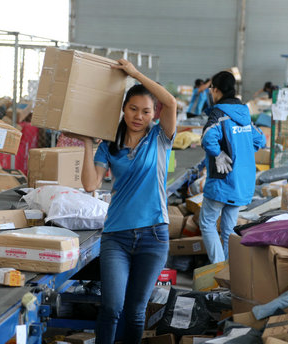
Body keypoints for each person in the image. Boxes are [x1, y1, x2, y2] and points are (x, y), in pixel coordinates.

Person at [71, 59, 177, 344]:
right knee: (111, 307)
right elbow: (90, 184)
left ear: (155, 114)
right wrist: (88, 142)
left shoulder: (160, 138)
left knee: (135, 311)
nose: (138, 116)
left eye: (146, 111)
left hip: (153, 235)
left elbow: (171, 101)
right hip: (116, 236)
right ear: (123, 109)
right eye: (133, 109)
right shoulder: (109, 145)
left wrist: (134, 74)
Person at [199, 71, 266, 263]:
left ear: (217, 90)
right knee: (228, 229)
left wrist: (218, 154)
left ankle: (218, 268)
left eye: (211, 88)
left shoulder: (219, 113)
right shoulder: (244, 114)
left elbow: (207, 138)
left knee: (208, 224)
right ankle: (229, 273)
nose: (211, 92)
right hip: (242, 182)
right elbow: (260, 139)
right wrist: (243, 151)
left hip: (222, 179)